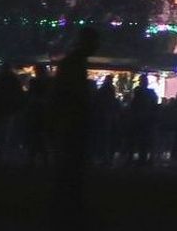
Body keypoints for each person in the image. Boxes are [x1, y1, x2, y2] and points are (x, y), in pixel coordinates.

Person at [48, 26, 100, 225]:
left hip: (70, 121)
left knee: (70, 166)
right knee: (71, 166)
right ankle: (68, 207)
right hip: (72, 122)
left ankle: (67, 205)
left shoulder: (73, 62)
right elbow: (71, 95)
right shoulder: (75, 64)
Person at [127, 74, 159, 166]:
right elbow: (155, 106)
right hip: (147, 120)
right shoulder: (151, 93)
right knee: (144, 141)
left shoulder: (138, 91)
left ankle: (135, 159)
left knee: (137, 140)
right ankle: (143, 159)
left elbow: (133, 105)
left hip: (139, 119)